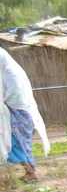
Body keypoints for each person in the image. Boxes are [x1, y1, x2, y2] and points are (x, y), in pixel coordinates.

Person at [1, 47, 49, 182]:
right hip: (17, 110)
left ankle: (30, 172)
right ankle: (28, 171)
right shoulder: (9, 71)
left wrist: (4, 101)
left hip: (17, 111)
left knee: (17, 142)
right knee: (16, 142)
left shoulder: (11, 73)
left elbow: (11, 94)